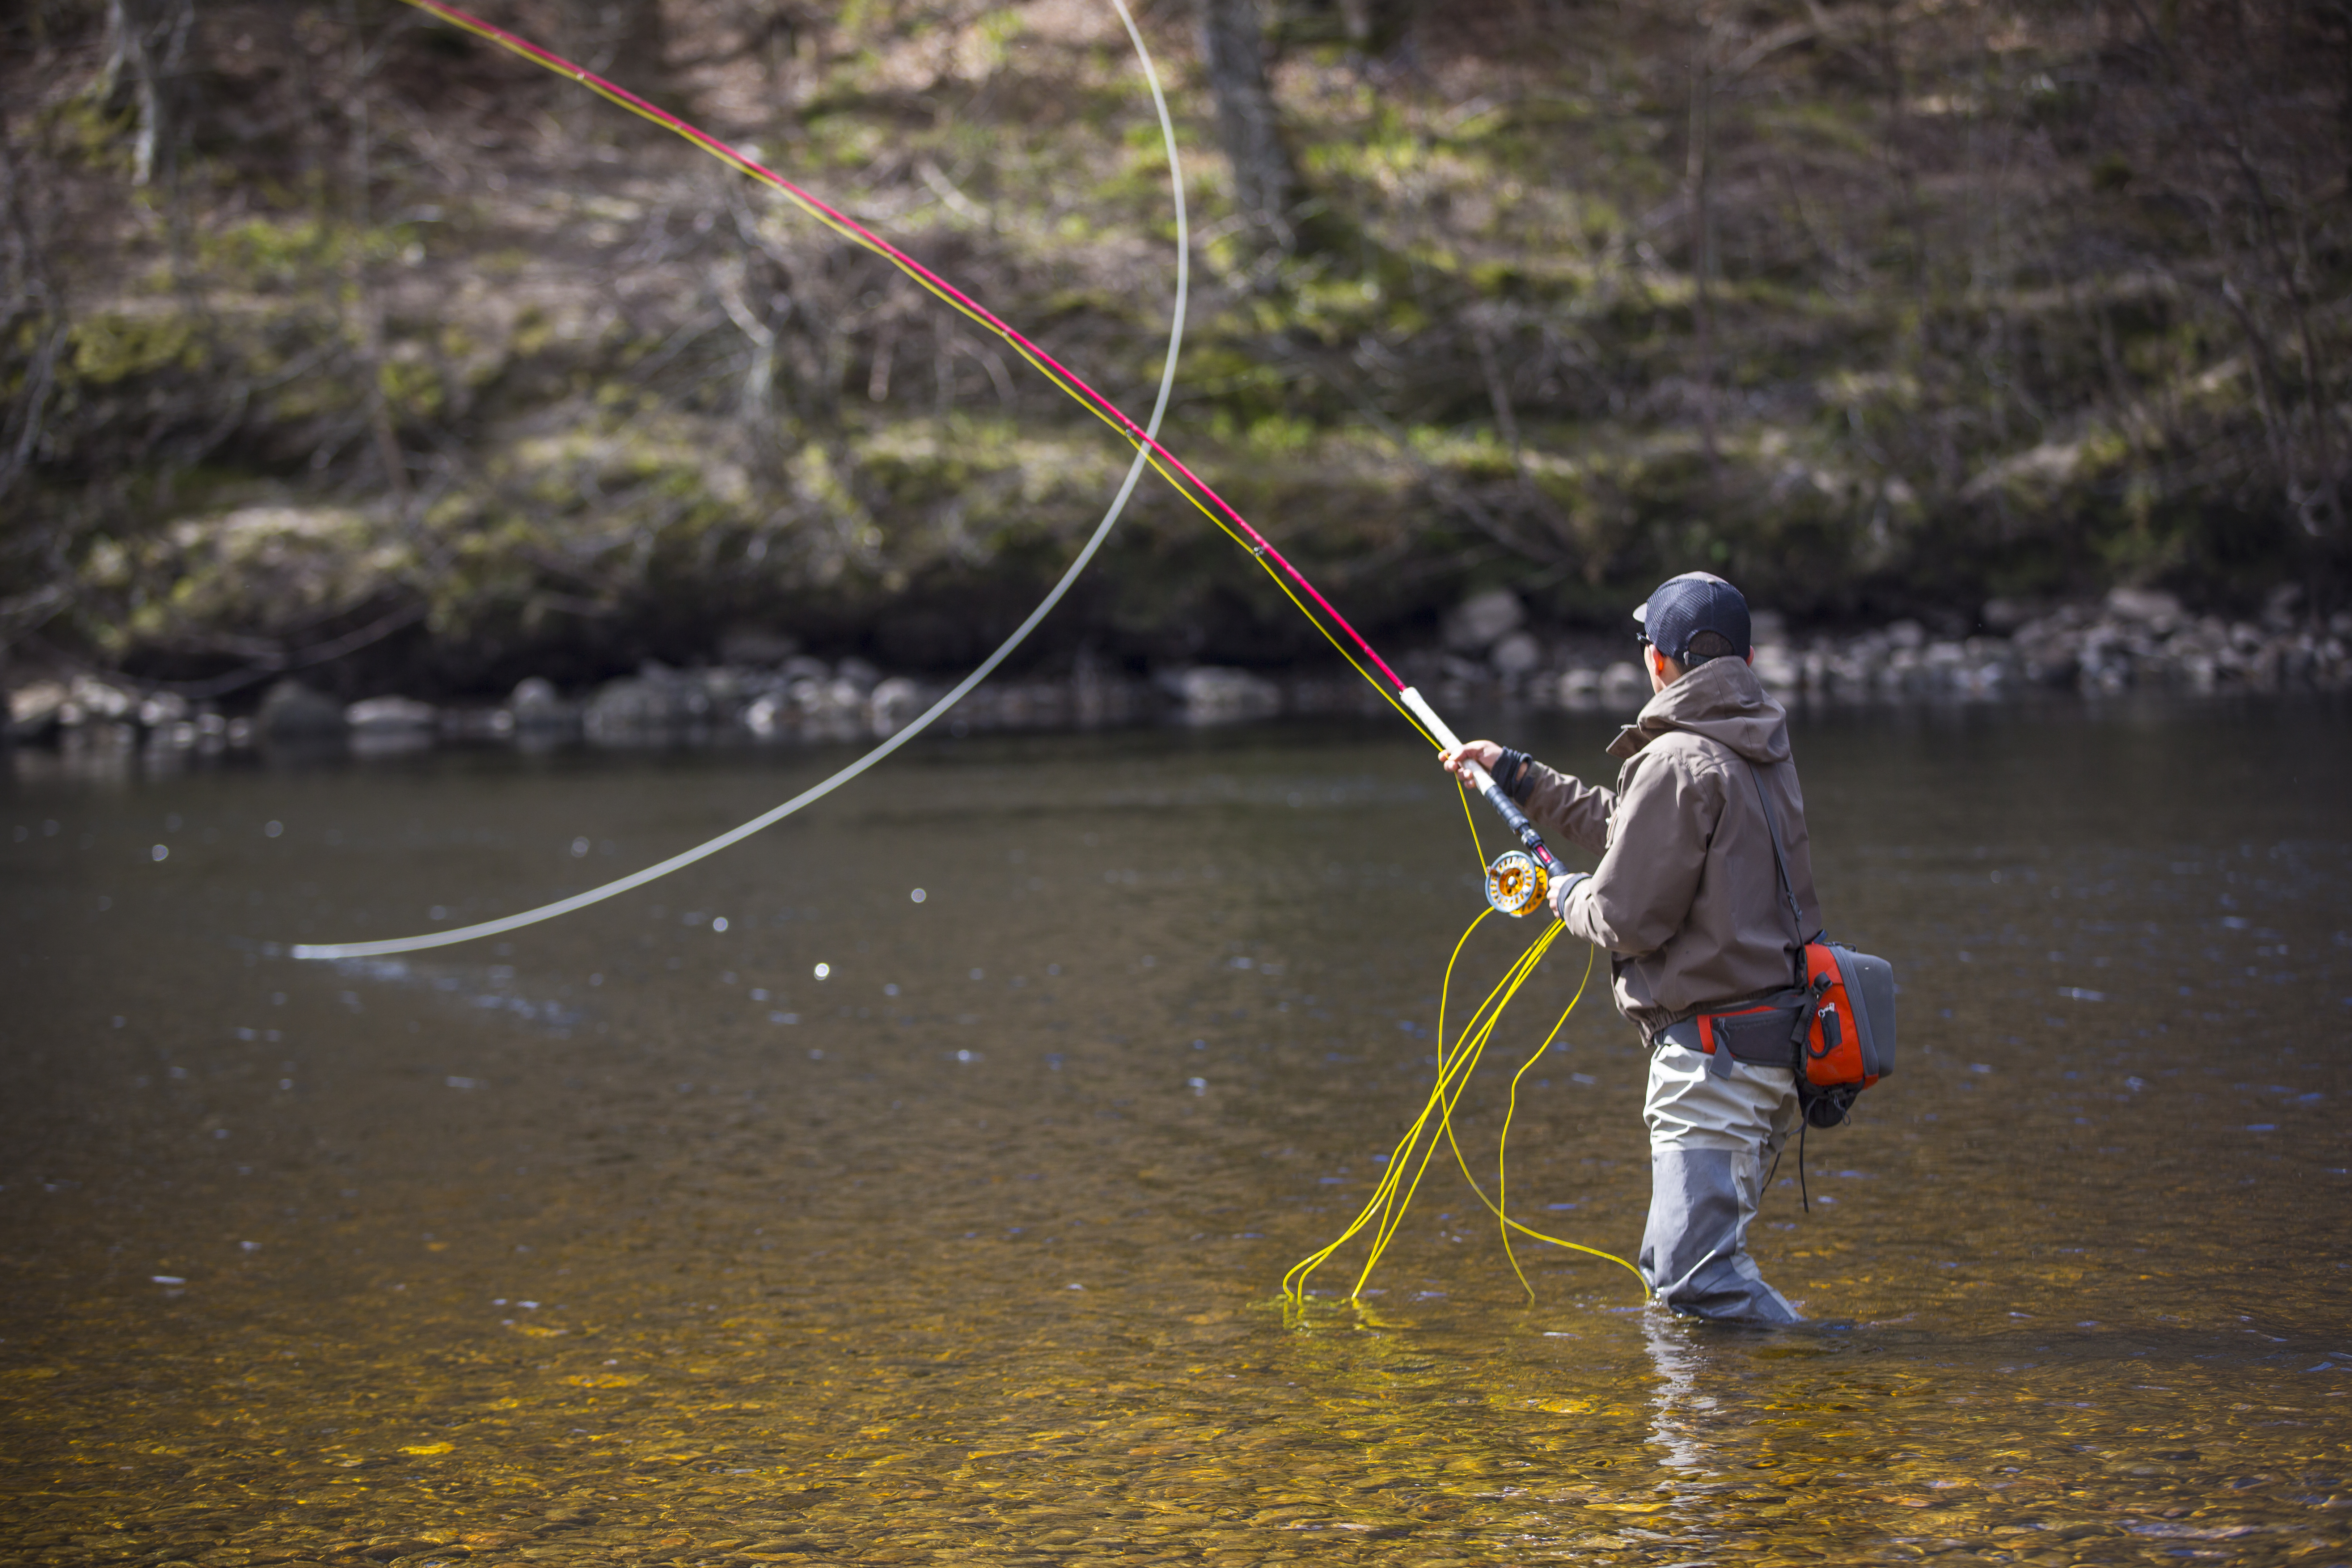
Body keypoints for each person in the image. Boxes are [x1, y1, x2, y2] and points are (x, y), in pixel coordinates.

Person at [1440, 571, 1823, 1323]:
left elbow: (1624, 917)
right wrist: (1517, 775)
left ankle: (1842, 1368)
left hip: (1716, 1060)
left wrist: (1562, 894)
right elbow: (1638, 829)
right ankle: (1731, 1403)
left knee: (1696, 1283)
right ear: (1744, 660)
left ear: (1657, 661)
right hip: (1767, 1046)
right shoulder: (1753, 745)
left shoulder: (1679, 758)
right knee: (1677, 1278)